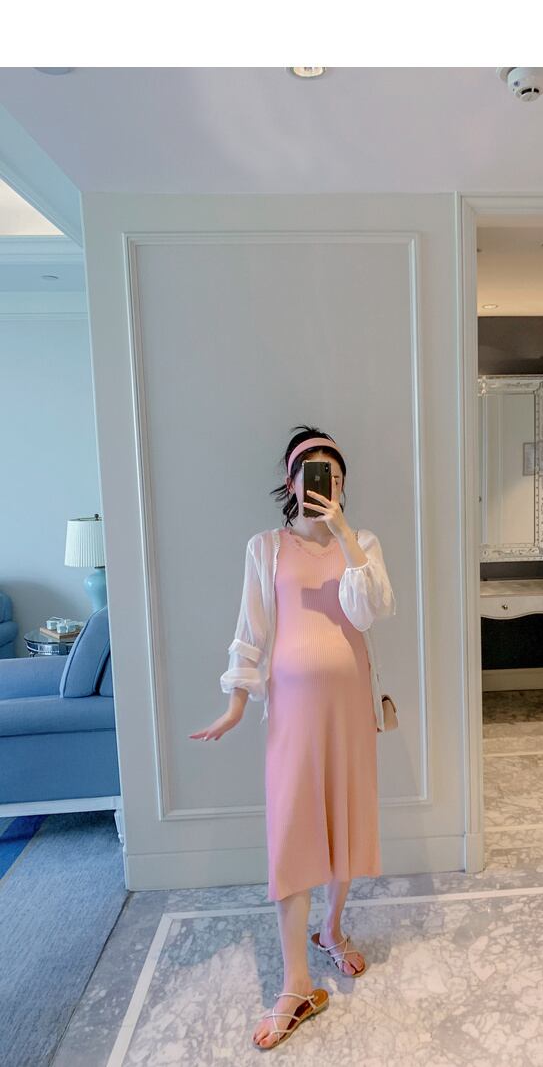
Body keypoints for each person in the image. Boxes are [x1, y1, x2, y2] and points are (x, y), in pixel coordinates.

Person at [189, 426, 396, 1050]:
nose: (323, 484)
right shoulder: (265, 548)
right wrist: (235, 704)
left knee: (344, 822)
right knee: (294, 832)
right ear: (291, 481)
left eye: (334, 475)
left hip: (350, 709)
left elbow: (369, 610)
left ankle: (331, 929)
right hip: (294, 715)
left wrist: (344, 535)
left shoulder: (362, 544)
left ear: (343, 484)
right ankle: (295, 984)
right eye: (312, 474)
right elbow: (250, 631)